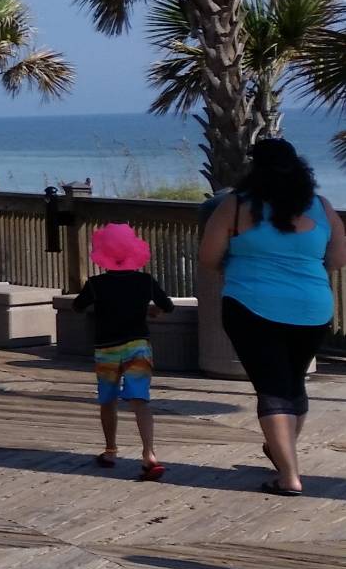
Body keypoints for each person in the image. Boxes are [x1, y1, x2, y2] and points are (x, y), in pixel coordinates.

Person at [200, 138, 343, 496]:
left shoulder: (234, 206)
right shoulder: (322, 207)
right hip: (312, 308)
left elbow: (207, 257)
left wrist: (237, 267)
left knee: (271, 387)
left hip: (250, 304)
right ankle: (283, 451)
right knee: (293, 382)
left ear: (255, 170)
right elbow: (338, 258)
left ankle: (289, 476)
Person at [74, 223, 174, 481]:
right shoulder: (145, 281)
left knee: (108, 401)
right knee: (140, 400)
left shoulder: (96, 284)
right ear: (134, 252)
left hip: (106, 348)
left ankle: (110, 451)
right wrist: (152, 311)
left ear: (103, 255)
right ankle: (149, 453)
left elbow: (78, 306)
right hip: (138, 346)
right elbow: (167, 306)